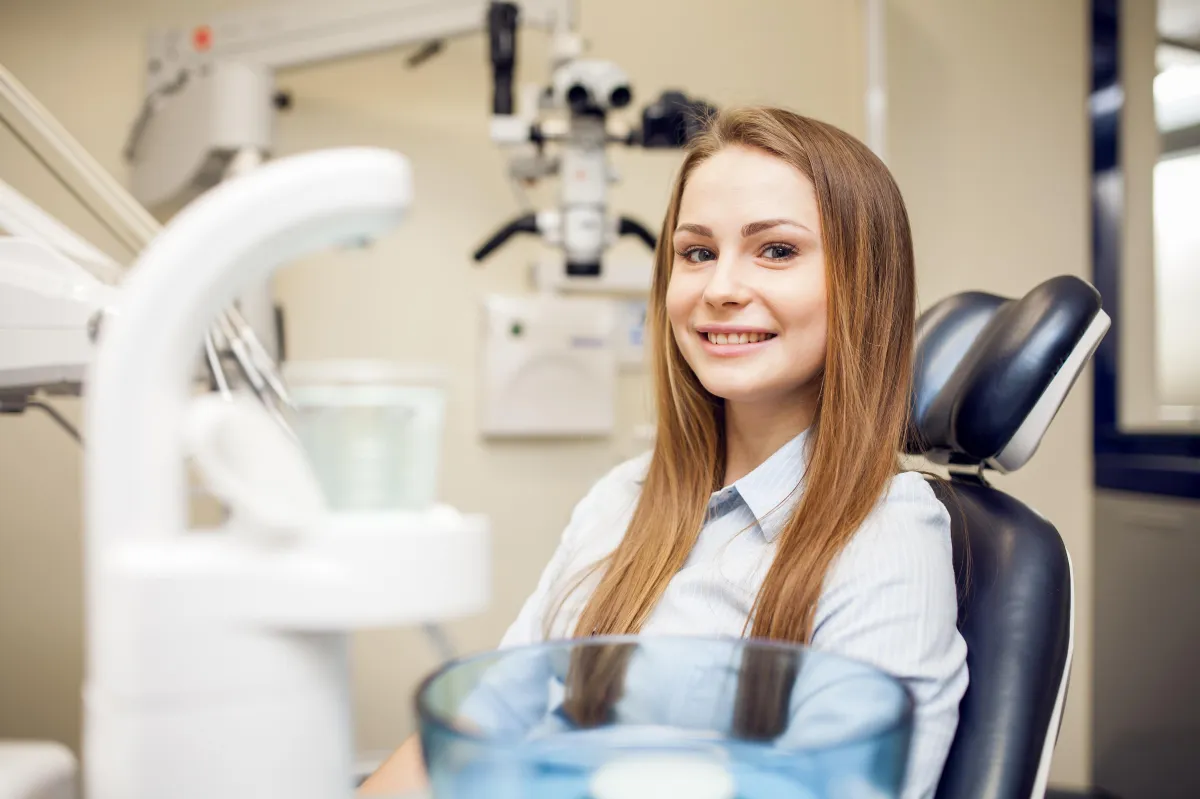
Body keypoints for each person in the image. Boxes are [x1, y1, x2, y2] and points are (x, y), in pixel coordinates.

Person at [359, 106, 968, 798]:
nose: (720, 289)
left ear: (864, 285)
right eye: (697, 252)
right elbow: (483, 722)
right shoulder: (623, 497)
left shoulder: (887, 536)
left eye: (776, 250)